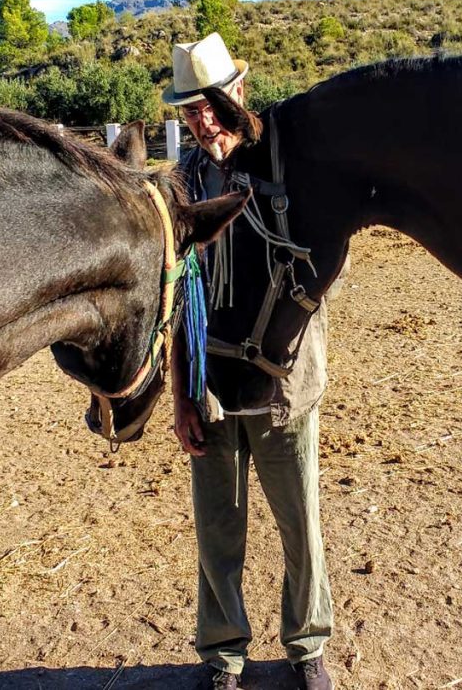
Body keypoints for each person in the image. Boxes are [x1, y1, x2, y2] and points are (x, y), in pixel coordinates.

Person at [164, 33, 335, 690]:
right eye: (188, 109)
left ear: (236, 93)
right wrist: (182, 398)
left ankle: (307, 645)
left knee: (301, 527)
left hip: (283, 385)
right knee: (217, 533)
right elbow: (177, 302)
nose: (200, 117)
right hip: (211, 388)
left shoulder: (286, 170)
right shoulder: (182, 184)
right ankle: (225, 653)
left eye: (208, 102)